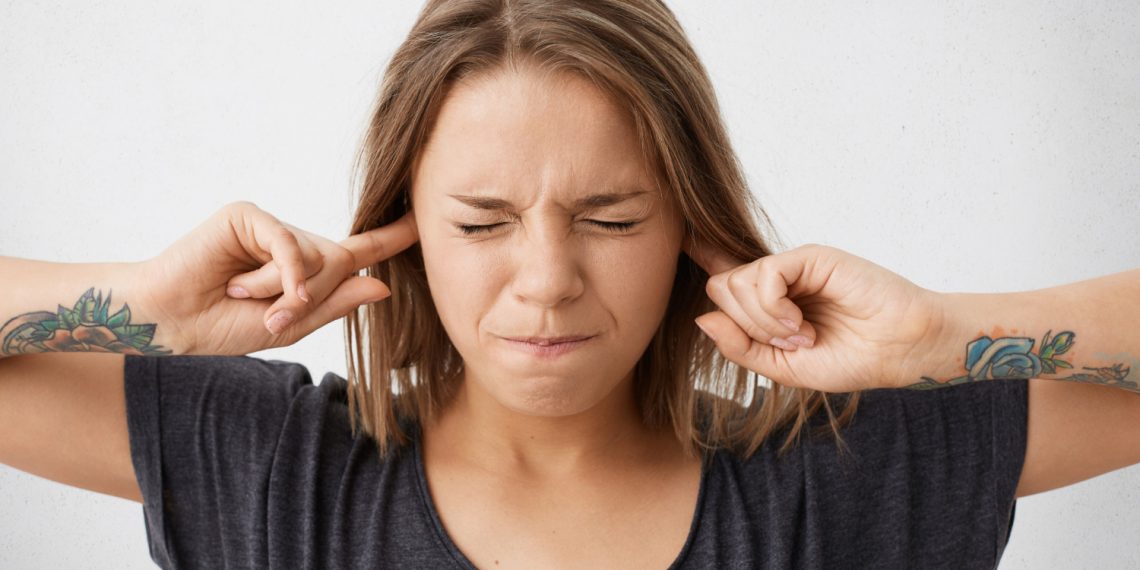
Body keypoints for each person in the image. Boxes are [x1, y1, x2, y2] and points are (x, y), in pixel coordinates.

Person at [1, 0, 1138, 567]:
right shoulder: (274, 471)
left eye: (611, 218)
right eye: (482, 222)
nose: (547, 281)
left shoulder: (836, 477)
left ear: (690, 223)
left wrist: (946, 338)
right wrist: (139, 305)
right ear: (402, 231)